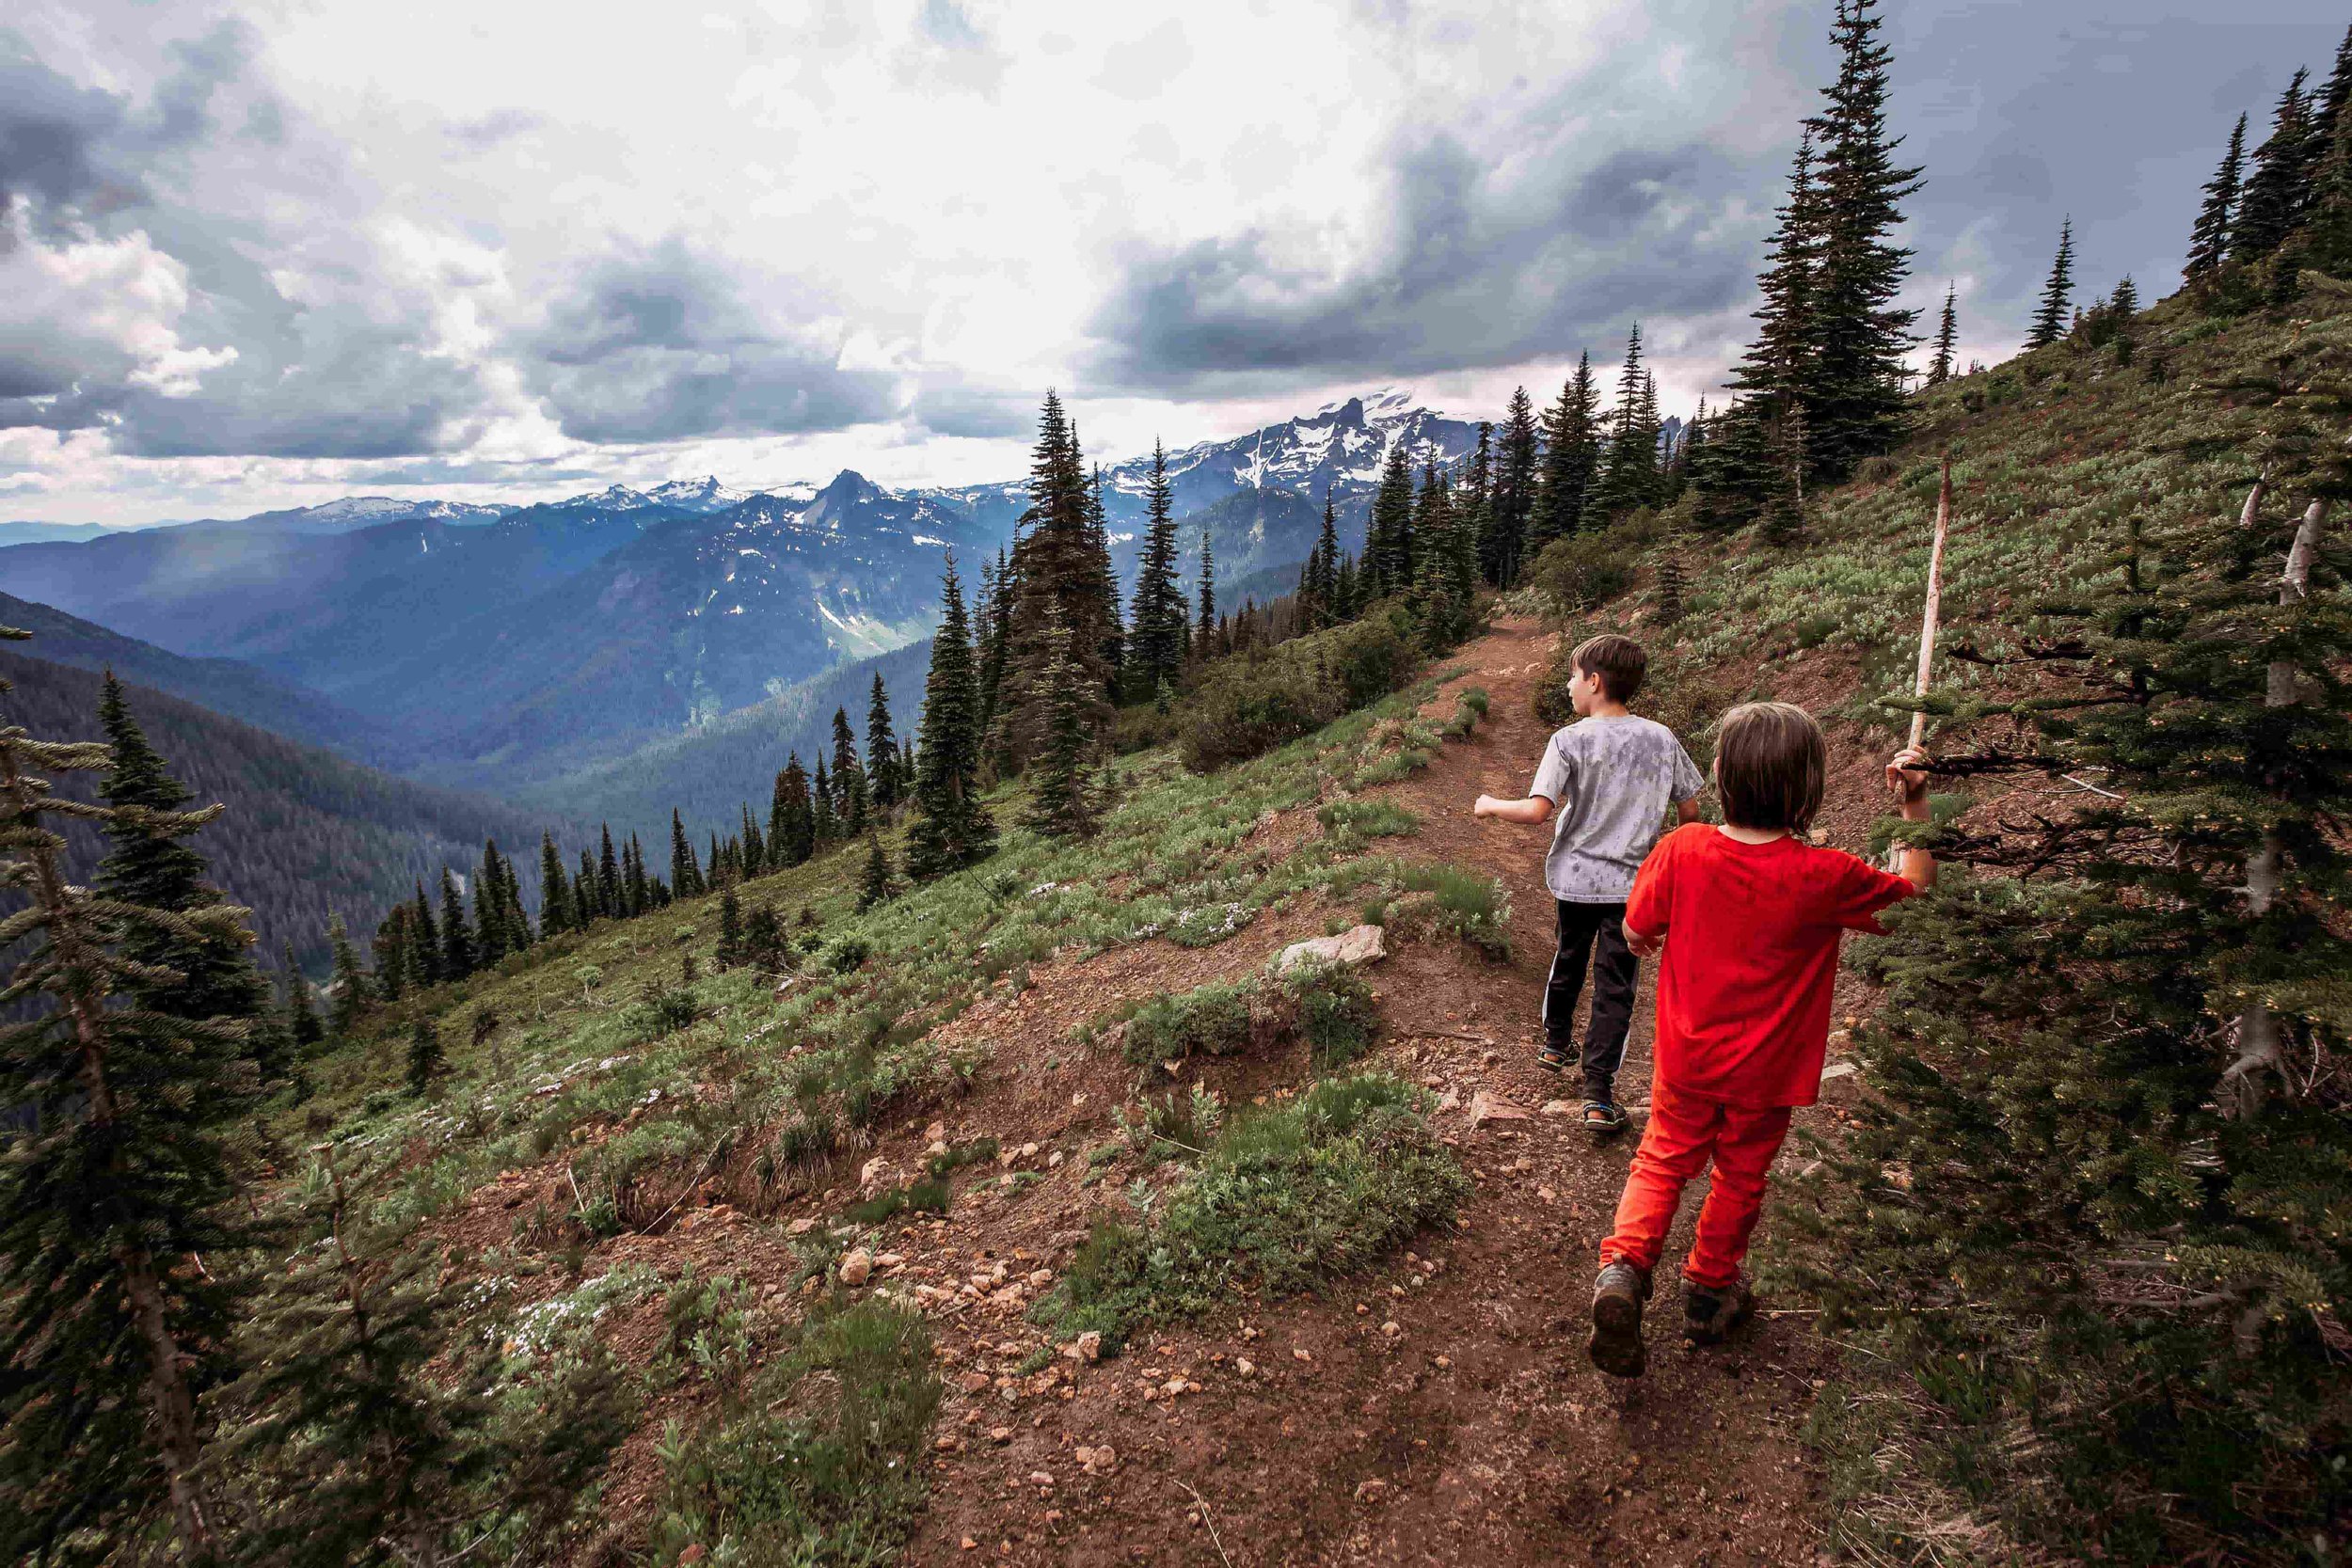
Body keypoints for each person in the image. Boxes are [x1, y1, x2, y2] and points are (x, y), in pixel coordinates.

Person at [1586, 701, 1934, 1378]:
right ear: (1810, 789)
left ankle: (1624, 1270)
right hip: (1769, 1075)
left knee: (1661, 1160)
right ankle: (1708, 1291)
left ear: (1718, 775)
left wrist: (1642, 936)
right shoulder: (1827, 876)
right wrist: (1914, 806)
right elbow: (1916, 893)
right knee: (1741, 1176)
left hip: (1687, 1061)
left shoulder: (1682, 850)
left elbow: (1635, 927)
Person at [1474, 634, 1703, 1136]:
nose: (1568, 685)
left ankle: (1556, 1043)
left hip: (1576, 880)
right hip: (1633, 890)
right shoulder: (1662, 738)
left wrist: (1489, 804)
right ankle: (1598, 1095)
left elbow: (1538, 811)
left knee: (1568, 959)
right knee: (1616, 987)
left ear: (1594, 683)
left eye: (1574, 676)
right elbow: (1689, 812)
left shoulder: (1568, 740)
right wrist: (1662, 847)